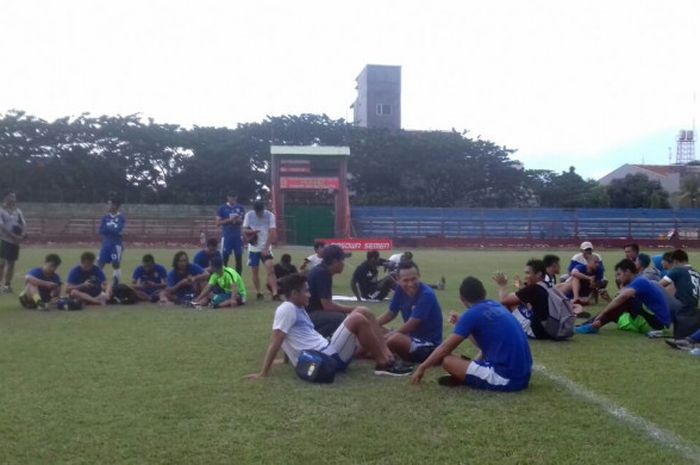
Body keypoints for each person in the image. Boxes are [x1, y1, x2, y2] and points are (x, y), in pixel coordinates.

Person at [245, 273, 413, 380]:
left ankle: (389, 358)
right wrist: (263, 373)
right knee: (356, 318)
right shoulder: (286, 308)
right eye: (306, 291)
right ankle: (383, 363)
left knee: (362, 311)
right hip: (324, 359)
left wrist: (287, 359)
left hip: (329, 351)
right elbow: (277, 339)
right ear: (294, 294)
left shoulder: (298, 308)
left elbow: (290, 338)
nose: (310, 294)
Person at [410, 277, 532, 392]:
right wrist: (460, 324)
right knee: (465, 360)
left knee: (447, 360)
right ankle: (468, 374)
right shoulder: (496, 306)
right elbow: (485, 346)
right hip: (523, 375)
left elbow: (444, 348)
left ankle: (467, 378)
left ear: (462, 299)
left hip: (507, 379)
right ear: (484, 292)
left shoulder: (472, 313)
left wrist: (422, 367)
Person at [576, 259, 671, 335]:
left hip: (658, 325)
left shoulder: (640, 281)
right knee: (621, 304)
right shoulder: (639, 281)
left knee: (626, 300)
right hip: (654, 321)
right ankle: (591, 324)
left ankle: (593, 325)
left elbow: (622, 298)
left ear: (628, 271)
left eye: (619, 274)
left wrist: (602, 313)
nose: (617, 278)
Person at [376, 260, 443, 362]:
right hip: (410, 338)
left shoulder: (427, 294)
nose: (411, 284)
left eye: (413, 279)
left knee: (393, 339)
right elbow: (391, 313)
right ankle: (372, 350)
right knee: (377, 331)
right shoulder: (399, 289)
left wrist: (389, 336)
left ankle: (370, 352)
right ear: (398, 280)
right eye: (406, 280)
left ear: (419, 276)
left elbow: (412, 324)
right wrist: (373, 325)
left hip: (428, 345)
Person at [495, 259, 576, 340]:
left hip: (538, 332)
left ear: (538, 274)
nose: (526, 276)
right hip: (553, 328)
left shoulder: (533, 288)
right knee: (518, 302)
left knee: (511, 300)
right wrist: (522, 289)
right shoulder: (547, 285)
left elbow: (503, 300)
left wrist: (502, 285)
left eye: (528, 273)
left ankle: (505, 328)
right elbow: (534, 305)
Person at [307, 244, 356, 337]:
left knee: (340, 316)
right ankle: (313, 340)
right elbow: (328, 306)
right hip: (308, 315)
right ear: (334, 261)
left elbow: (327, 303)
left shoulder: (321, 270)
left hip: (309, 313)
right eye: (342, 260)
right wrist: (353, 309)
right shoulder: (323, 274)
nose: (343, 264)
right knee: (339, 318)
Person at [660, 249, 700, 339]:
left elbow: (660, 285)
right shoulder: (696, 273)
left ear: (675, 261)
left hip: (681, 307)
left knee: (654, 289)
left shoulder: (677, 270)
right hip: (693, 308)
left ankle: (661, 325)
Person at [243, 200, 279, 300]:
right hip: (253, 248)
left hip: (265, 247)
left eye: (261, 211)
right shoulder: (249, 215)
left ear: (264, 209)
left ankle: (275, 293)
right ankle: (259, 292)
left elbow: (272, 231)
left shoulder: (270, 215)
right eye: (257, 212)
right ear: (254, 210)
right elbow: (244, 229)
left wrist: (267, 247)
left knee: (270, 269)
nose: (259, 214)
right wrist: (252, 231)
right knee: (255, 271)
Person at [0, 190, 27, 293]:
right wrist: (15, 236)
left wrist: (23, 233)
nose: (14, 199)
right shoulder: (1, 210)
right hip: (4, 239)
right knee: (1, 263)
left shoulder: (18, 211)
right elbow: (2, 226)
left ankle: (7, 285)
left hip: (15, 242)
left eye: (14, 197)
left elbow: (23, 223)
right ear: (6, 197)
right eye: (11, 197)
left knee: (11, 263)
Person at [98, 199, 126, 286]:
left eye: (110, 204)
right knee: (100, 263)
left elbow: (119, 230)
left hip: (116, 244)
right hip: (106, 243)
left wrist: (108, 229)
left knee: (115, 264)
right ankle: (99, 281)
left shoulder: (121, 217)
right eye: (108, 204)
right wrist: (112, 230)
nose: (108, 206)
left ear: (115, 206)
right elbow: (100, 231)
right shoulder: (105, 217)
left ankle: (116, 283)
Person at [215, 192, 245, 274]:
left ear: (236, 197)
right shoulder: (222, 208)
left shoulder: (241, 208)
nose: (232, 199)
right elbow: (217, 223)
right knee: (225, 258)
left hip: (238, 236)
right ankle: (224, 277)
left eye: (234, 197)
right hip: (227, 236)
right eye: (231, 197)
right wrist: (229, 220)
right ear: (227, 197)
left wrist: (239, 220)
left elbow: (245, 222)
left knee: (239, 258)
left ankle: (238, 279)